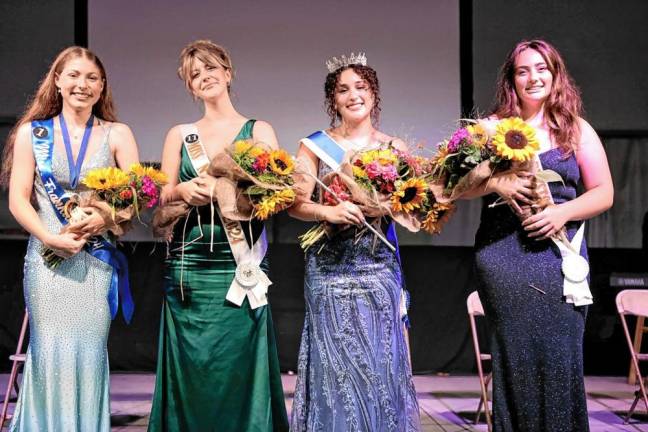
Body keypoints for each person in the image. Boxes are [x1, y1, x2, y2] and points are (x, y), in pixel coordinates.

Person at [470, 40, 613, 431]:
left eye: (541, 69)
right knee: (515, 359)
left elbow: (604, 192)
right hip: (504, 258)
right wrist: (496, 183)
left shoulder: (575, 130)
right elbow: (453, 186)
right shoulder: (491, 129)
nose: (533, 78)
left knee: (560, 359)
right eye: (522, 71)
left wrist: (560, 214)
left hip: (558, 256)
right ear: (511, 81)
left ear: (555, 75)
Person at [148, 40, 288, 431]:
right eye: (195, 74)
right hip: (189, 266)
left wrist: (232, 194)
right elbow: (163, 195)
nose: (204, 76)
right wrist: (182, 192)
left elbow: (275, 196)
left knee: (239, 360)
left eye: (210, 68)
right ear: (190, 87)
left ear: (228, 72)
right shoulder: (180, 134)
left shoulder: (258, 129)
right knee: (194, 362)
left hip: (239, 264)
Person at [3, 46, 139, 431]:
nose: (82, 84)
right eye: (74, 76)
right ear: (58, 81)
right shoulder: (34, 133)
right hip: (48, 261)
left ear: (102, 87)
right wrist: (51, 237)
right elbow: (18, 199)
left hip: (95, 262)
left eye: (92, 78)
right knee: (49, 351)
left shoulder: (117, 134)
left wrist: (103, 217)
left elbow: (138, 194)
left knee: (88, 351)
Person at [288, 53, 420, 431]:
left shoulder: (395, 148)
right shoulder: (314, 146)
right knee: (335, 369)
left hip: (377, 266)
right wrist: (328, 212)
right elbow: (296, 203)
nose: (353, 95)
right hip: (329, 269)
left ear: (374, 94)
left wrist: (387, 206)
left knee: (379, 364)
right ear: (333, 100)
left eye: (360, 87)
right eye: (343, 89)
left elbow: (416, 203)